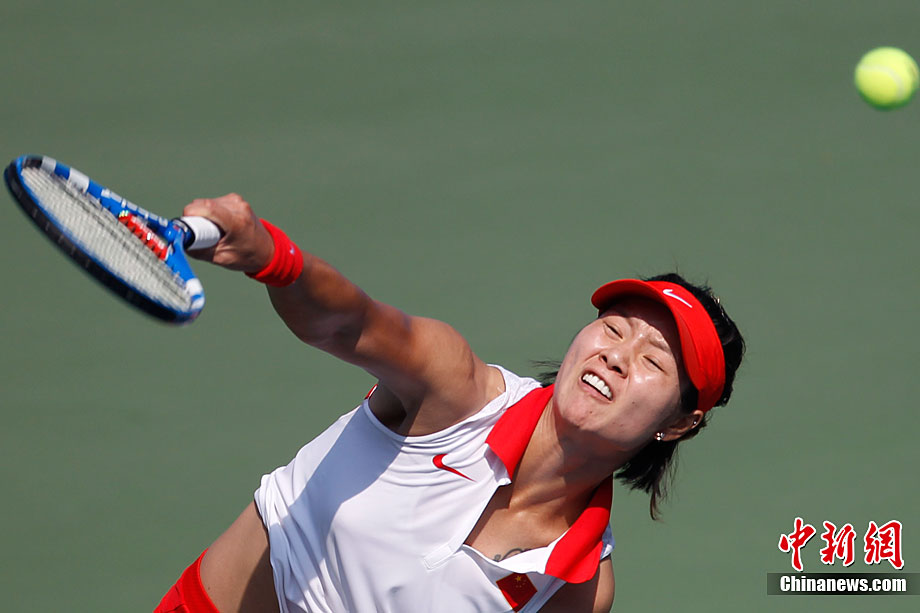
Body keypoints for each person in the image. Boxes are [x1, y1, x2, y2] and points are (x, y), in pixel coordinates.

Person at [155, 194, 745, 613]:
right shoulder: (455, 388)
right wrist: (270, 256)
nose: (616, 356)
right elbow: (347, 323)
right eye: (613, 329)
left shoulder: (581, 588)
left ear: (679, 423)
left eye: (652, 361)